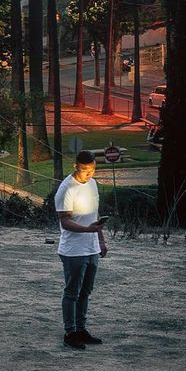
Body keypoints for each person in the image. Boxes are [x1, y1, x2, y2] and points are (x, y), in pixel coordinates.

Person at [54, 149, 107, 350]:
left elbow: (95, 215)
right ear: (76, 166)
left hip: (92, 248)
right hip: (73, 250)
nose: (89, 173)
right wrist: (88, 230)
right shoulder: (67, 188)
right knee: (72, 292)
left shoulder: (92, 184)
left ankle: (81, 329)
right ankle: (70, 332)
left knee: (85, 291)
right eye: (85, 169)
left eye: (92, 169)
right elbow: (65, 221)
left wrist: (100, 240)